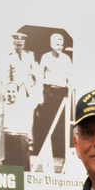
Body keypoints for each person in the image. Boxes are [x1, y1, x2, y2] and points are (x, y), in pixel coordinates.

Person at [33, 33, 73, 162]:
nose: (60, 47)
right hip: (48, 93)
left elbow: (70, 76)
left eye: (61, 44)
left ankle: (58, 153)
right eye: (57, 44)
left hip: (61, 94)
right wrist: (40, 96)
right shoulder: (45, 57)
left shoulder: (66, 59)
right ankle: (42, 153)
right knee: (46, 123)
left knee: (60, 124)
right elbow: (39, 78)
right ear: (51, 44)